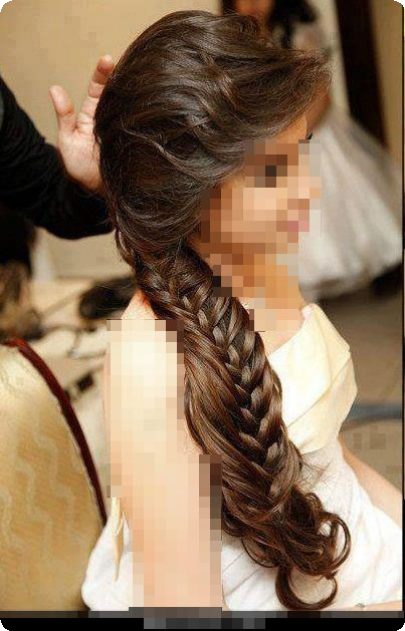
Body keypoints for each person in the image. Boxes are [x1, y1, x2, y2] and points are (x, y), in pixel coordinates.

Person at [80, 11, 402, 611]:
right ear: (188, 192)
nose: (309, 191)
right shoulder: (149, 364)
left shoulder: (260, 258)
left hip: (339, 531)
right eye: (274, 172)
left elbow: (330, 459)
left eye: (300, 153)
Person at [224, 0, 403, 302]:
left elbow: (320, 96)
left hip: (307, 128)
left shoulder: (298, 32)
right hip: (265, 133)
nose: (253, 3)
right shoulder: (234, 39)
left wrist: (293, 138)